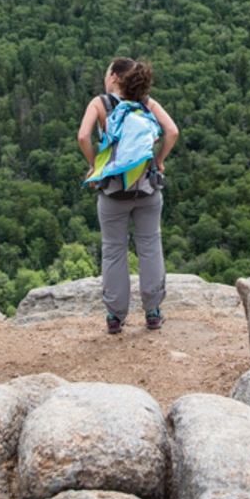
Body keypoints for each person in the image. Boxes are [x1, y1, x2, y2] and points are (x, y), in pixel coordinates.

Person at [77, 57, 179, 334]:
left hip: (112, 192)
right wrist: (158, 161)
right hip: (146, 188)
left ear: (114, 78)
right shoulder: (147, 103)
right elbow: (172, 131)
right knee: (149, 246)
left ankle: (115, 316)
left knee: (113, 251)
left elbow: (83, 136)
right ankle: (153, 312)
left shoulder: (99, 103)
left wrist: (95, 165)